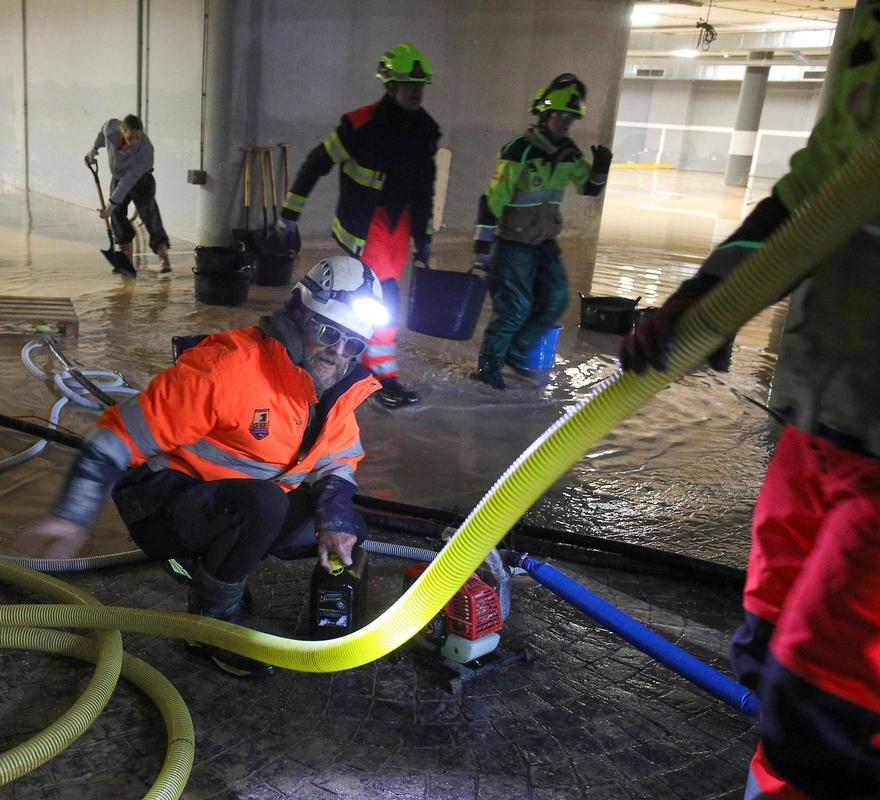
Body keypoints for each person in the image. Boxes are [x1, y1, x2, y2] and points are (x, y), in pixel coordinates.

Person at [622, 4, 879, 797]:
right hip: (817, 408)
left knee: (831, 702)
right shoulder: (866, 22)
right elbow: (816, 191)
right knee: (767, 651)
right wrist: (701, 297)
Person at [17, 256, 388, 677]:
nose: (337, 352)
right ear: (300, 317)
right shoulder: (225, 368)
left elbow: (338, 459)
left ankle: (221, 570)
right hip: (163, 505)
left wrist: (335, 518)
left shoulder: (336, 392)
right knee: (265, 506)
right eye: (327, 332)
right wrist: (72, 515)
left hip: (236, 505)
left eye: (352, 344)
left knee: (348, 527)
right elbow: (116, 436)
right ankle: (210, 625)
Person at [277, 43, 439, 409]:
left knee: (368, 303)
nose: (415, 92)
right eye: (406, 84)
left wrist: (424, 236)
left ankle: (349, 367)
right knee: (378, 303)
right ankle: (380, 378)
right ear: (390, 86)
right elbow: (315, 164)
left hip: (398, 230)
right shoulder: (360, 126)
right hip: (365, 230)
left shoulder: (425, 130)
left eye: (419, 86)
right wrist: (289, 214)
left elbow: (424, 189)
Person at [471, 74, 612, 390]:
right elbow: (492, 201)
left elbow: (588, 187)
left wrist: (601, 168)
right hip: (513, 243)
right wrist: (483, 247)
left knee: (557, 299)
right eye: (561, 116)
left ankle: (517, 353)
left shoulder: (569, 154)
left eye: (570, 118)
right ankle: (488, 371)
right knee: (514, 308)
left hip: (545, 242)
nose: (565, 123)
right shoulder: (519, 151)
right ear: (545, 113)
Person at [85, 114, 171, 274]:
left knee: (149, 213)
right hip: (118, 177)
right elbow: (101, 133)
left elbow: (129, 180)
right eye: (131, 138)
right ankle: (126, 258)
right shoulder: (111, 128)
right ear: (122, 131)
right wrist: (94, 150)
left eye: (138, 138)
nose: (134, 142)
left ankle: (163, 255)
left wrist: (111, 203)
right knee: (116, 215)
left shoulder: (146, 150)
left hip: (141, 180)